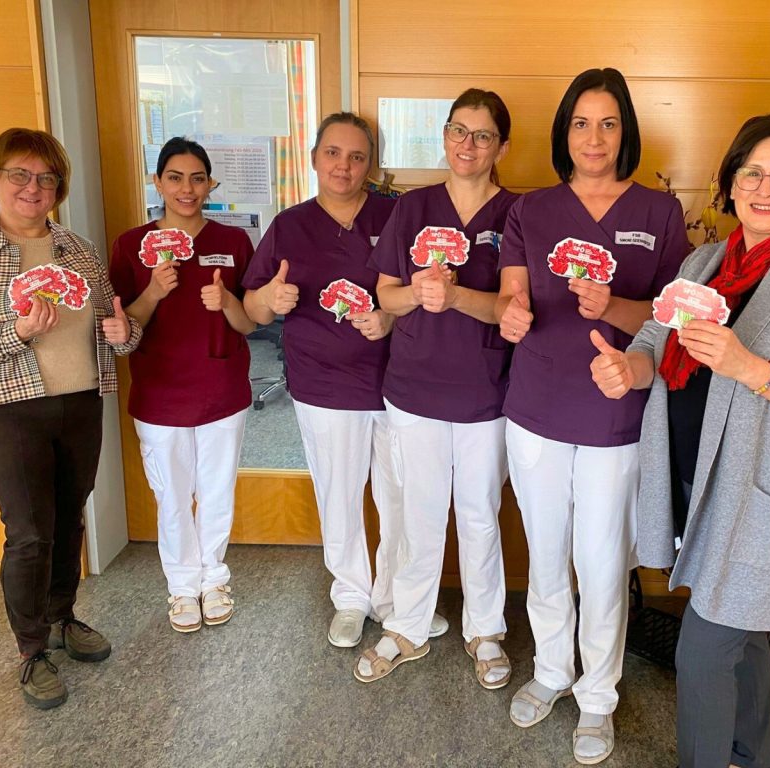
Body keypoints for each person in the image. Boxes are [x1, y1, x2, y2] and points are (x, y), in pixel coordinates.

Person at [591, 112, 770, 768]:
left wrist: (749, 367)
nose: (765, 186)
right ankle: (757, 757)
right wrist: (628, 370)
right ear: (729, 182)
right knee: (745, 640)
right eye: (751, 171)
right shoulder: (704, 262)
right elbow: (652, 342)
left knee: (703, 651)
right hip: (699, 484)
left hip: (763, 502)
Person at [495, 68, 690, 764]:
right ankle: (552, 670)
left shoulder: (659, 214)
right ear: (564, 131)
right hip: (537, 407)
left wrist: (612, 307)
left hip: (616, 408)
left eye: (609, 123)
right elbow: (512, 297)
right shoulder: (532, 209)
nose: (594, 137)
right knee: (546, 551)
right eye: (581, 122)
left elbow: (669, 320)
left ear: (626, 132)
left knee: (601, 559)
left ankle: (598, 696)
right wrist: (512, 315)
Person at [0, 127, 139, 709]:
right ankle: (31, 649)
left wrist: (125, 334)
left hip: (78, 400)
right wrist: (14, 331)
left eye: (46, 178)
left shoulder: (77, 249)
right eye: (19, 174)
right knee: (28, 532)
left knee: (70, 518)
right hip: (4, 408)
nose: (33, 187)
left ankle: (64, 617)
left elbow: (112, 325)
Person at [242, 112, 448, 648]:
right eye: (333, 153)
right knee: (340, 495)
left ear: (371, 164)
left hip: (398, 385)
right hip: (325, 386)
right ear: (313, 158)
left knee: (400, 495)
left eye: (357, 156)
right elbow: (252, 308)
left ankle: (397, 599)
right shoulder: (289, 225)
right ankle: (352, 596)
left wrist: (390, 318)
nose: (344, 166)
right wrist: (270, 299)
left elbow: (421, 293)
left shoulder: (397, 214)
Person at [354, 89, 518, 688]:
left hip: (487, 391)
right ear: (444, 135)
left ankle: (486, 629)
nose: (467, 145)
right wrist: (418, 291)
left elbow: (515, 310)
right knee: (420, 512)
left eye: (481, 135)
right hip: (414, 388)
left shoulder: (516, 216)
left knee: (479, 514)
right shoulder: (415, 207)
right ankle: (408, 626)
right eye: (457, 130)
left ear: (502, 144)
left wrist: (455, 297)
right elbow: (387, 296)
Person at [109, 137, 255, 634]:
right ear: (158, 182)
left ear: (210, 183)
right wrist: (154, 288)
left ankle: (214, 577)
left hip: (221, 383)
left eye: (197, 178)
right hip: (160, 390)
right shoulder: (132, 245)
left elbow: (250, 322)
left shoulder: (234, 242)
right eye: (175, 177)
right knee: (171, 493)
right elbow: (122, 327)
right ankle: (180, 586)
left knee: (216, 488)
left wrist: (227, 303)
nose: (187, 188)